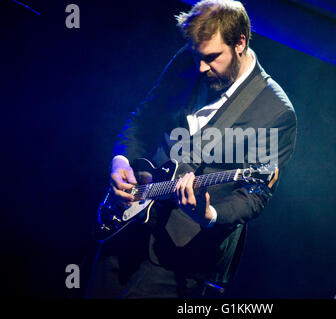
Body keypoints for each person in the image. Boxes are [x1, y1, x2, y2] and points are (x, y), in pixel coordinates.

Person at [87, 0, 297, 298]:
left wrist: (209, 213)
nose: (201, 67)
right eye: (197, 56)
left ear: (240, 42)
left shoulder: (275, 111)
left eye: (212, 57)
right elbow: (143, 118)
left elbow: (256, 196)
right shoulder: (188, 61)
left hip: (183, 256)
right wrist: (120, 161)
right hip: (129, 223)